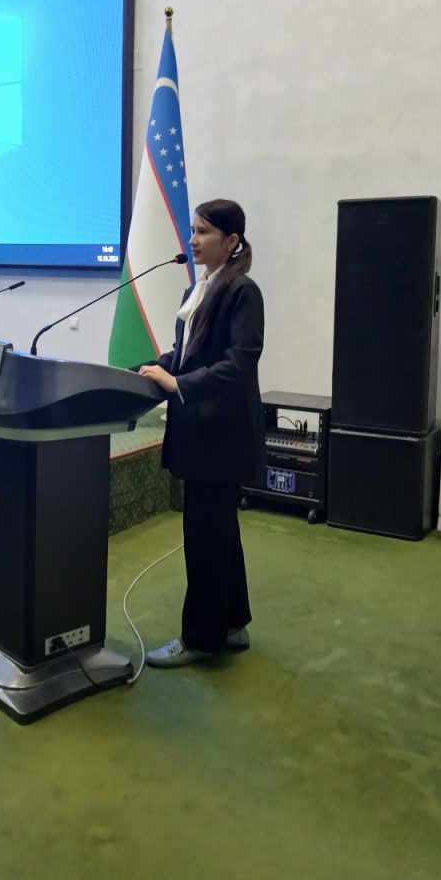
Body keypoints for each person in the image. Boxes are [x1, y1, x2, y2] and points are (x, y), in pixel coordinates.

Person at [137, 199, 265, 667]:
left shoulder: (242, 292)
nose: (192, 241)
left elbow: (239, 362)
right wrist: (151, 372)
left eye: (204, 232)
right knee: (220, 534)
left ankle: (200, 640)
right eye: (192, 231)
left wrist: (179, 384)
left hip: (220, 436)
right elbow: (184, 354)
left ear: (231, 242)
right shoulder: (200, 287)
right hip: (198, 433)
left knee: (205, 540)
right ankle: (232, 624)